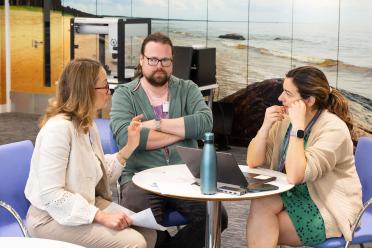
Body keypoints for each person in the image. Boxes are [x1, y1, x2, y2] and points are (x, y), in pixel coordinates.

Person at [110, 32, 228, 248]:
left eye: (165, 60)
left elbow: (204, 123)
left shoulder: (188, 88)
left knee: (217, 217)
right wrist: (184, 130)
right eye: (153, 60)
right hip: (138, 177)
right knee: (141, 221)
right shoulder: (124, 94)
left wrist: (156, 124)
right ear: (141, 60)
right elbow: (127, 136)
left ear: (172, 61)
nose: (159, 66)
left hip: (183, 175)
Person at [25, 58, 156, 248]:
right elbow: (52, 195)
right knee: (134, 243)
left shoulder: (86, 124)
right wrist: (100, 217)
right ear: (86, 90)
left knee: (147, 232)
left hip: (86, 204)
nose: (108, 92)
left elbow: (97, 174)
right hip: (50, 218)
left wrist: (129, 147)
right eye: (104, 86)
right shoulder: (58, 130)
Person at [246, 66, 363, 247]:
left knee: (266, 228)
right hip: (294, 192)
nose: (280, 98)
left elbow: (295, 175)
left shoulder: (334, 129)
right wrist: (265, 126)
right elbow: (253, 161)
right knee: (261, 202)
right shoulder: (286, 120)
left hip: (326, 204)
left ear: (308, 101)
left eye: (287, 93)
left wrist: (298, 129)